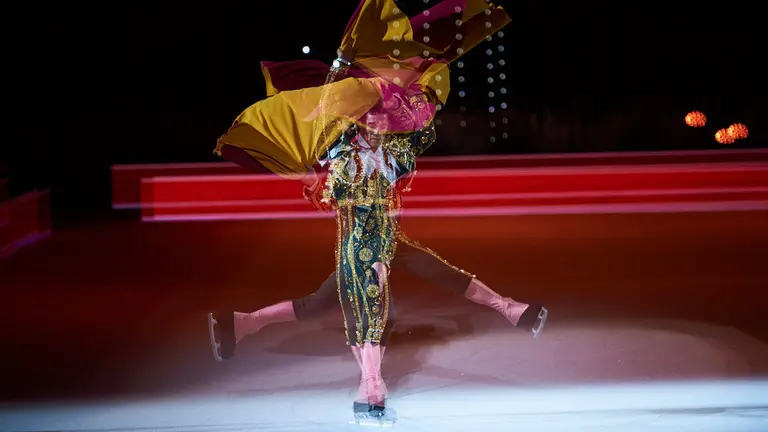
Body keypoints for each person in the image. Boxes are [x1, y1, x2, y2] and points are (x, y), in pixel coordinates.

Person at [206, 0, 547, 419]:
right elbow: (333, 152)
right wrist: (313, 176)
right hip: (358, 232)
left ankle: (241, 323)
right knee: (371, 295)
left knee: (330, 299)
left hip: (383, 228)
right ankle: (371, 385)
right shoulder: (341, 131)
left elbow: (415, 126)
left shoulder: (400, 132)